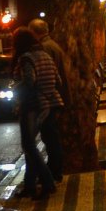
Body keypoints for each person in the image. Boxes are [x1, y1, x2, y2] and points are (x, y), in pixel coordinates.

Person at [10, 27, 62, 201]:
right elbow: (58, 80)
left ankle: (47, 182)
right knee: (30, 146)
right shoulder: (45, 55)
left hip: (32, 105)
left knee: (29, 145)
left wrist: (13, 88)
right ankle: (30, 185)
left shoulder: (26, 58)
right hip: (47, 105)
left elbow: (29, 82)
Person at [28, 18, 67, 183]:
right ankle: (53, 171)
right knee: (51, 137)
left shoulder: (44, 49)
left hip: (48, 100)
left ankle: (52, 172)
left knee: (49, 138)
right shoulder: (53, 45)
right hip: (55, 98)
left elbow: (49, 77)